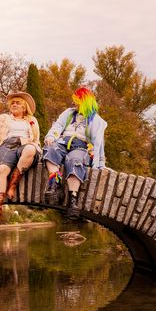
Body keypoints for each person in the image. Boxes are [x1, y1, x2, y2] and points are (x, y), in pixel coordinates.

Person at [43, 87, 107, 219]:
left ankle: (73, 199)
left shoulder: (96, 121)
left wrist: (100, 163)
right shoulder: (68, 113)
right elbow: (58, 126)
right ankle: (55, 183)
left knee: (74, 161)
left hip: (80, 146)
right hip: (63, 142)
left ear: (84, 102)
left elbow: (99, 143)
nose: (73, 103)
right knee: (50, 149)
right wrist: (51, 137)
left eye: (76, 101)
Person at [0, 91, 41, 222]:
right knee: (2, 169)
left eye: (18, 103)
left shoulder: (32, 120)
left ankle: (13, 184)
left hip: (26, 144)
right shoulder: (3, 118)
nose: (14, 104)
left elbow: (36, 140)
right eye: (12, 103)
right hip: (8, 145)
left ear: (24, 107)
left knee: (30, 149)